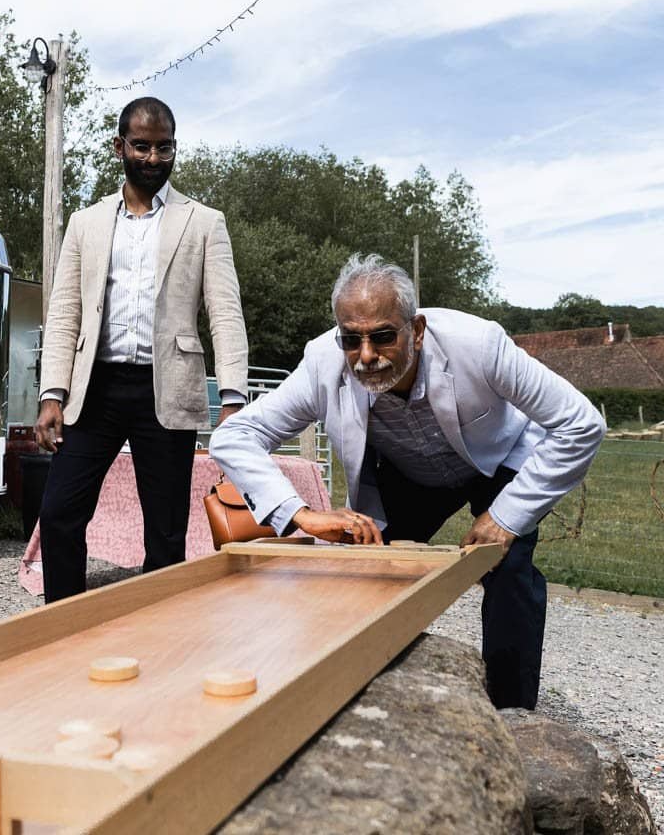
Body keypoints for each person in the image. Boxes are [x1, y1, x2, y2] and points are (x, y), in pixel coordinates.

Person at [209, 254, 603, 709]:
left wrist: (506, 517)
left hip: (495, 459)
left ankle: (511, 712)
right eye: (351, 340)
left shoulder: (480, 344)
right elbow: (235, 435)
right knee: (372, 569)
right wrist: (302, 515)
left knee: (508, 568)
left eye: (382, 336)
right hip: (408, 471)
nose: (367, 356)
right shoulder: (321, 364)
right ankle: (364, 695)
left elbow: (581, 424)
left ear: (415, 330)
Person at [36, 96, 248, 601]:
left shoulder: (203, 222)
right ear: (120, 147)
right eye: (142, 147)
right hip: (96, 391)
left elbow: (225, 313)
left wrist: (235, 398)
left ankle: (156, 641)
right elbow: (65, 312)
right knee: (59, 513)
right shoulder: (86, 223)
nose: (153, 158)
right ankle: (61, 628)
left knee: (166, 532)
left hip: (167, 391)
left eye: (164, 147)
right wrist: (51, 394)